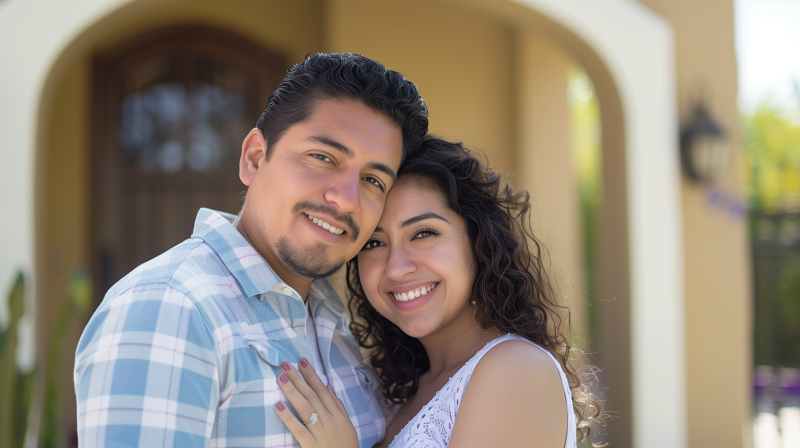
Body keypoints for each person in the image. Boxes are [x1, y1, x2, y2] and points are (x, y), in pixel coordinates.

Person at [73, 53, 428, 448]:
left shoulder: (329, 315)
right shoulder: (170, 308)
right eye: (323, 158)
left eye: (374, 180)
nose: (345, 199)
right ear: (255, 158)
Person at [272, 136, 604, 448]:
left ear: (477, 242)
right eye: (374, 243)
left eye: (424, 233)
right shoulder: (399, 390)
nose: (396, 267)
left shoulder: (517, 369)